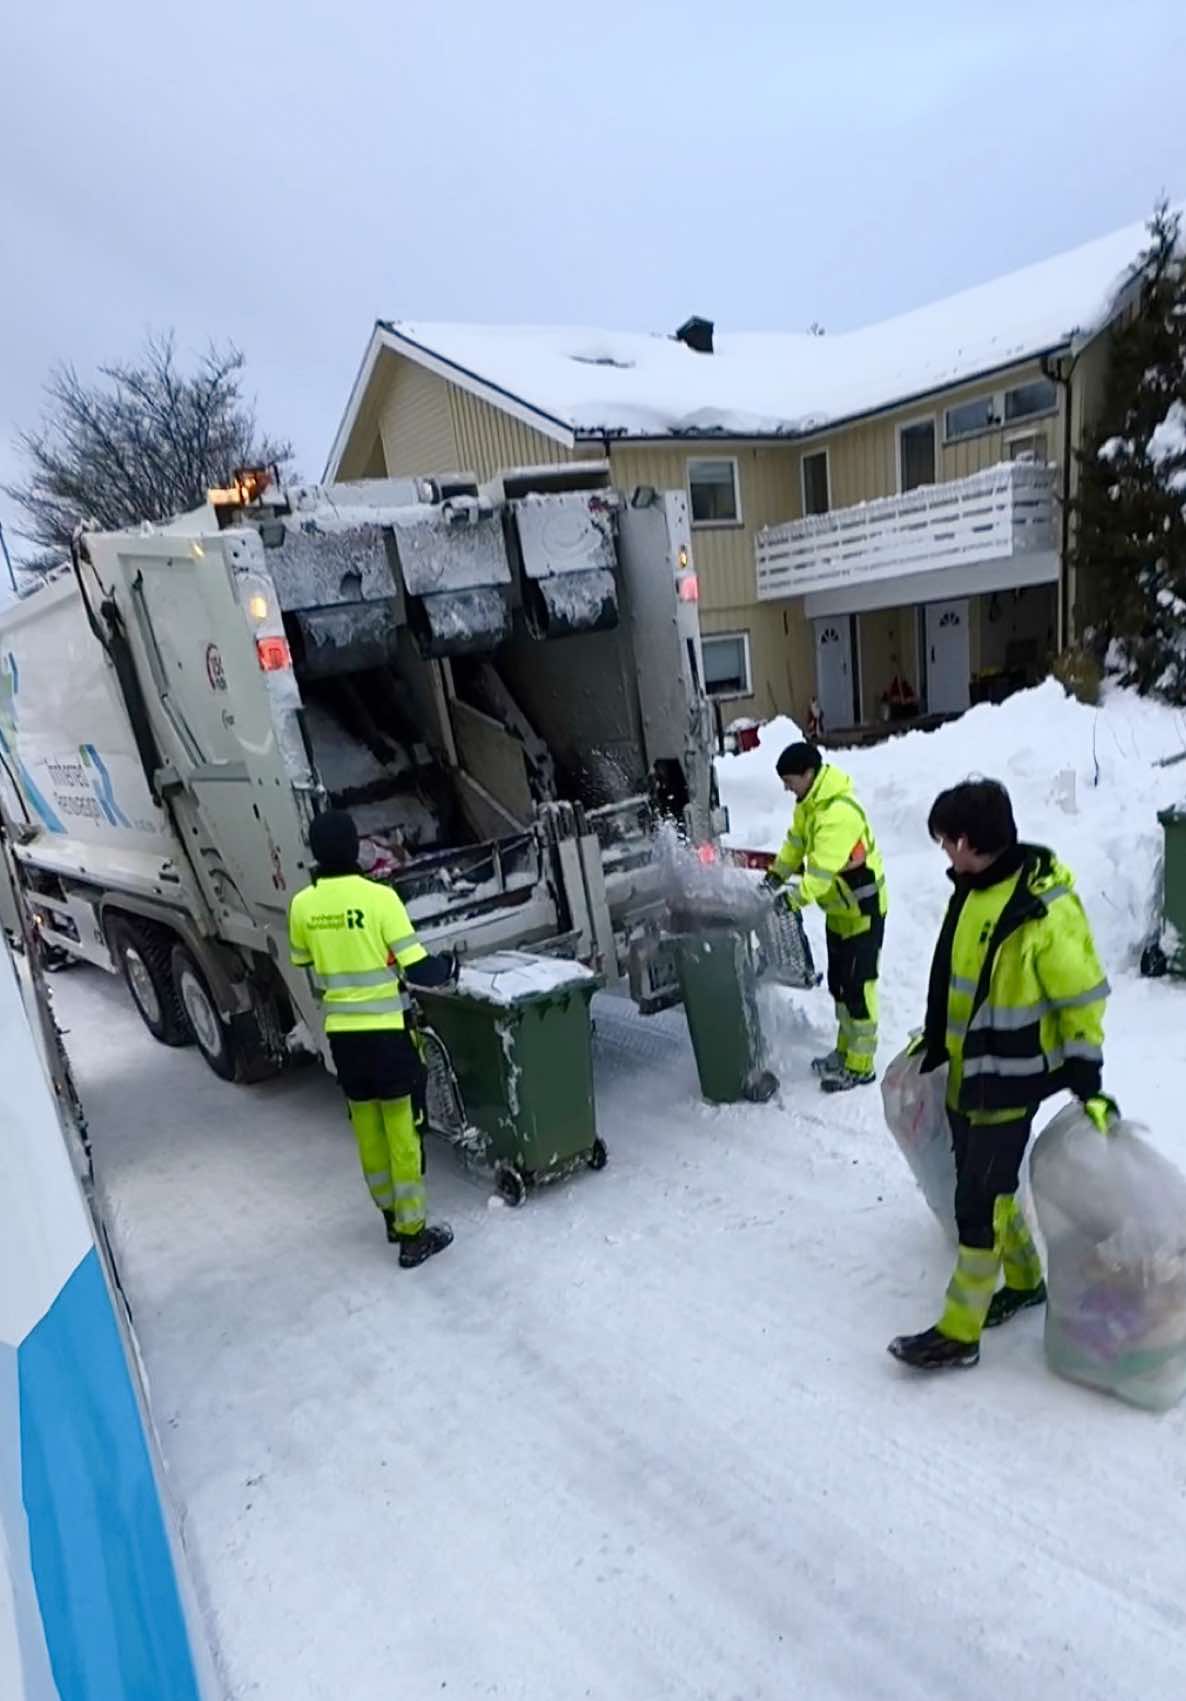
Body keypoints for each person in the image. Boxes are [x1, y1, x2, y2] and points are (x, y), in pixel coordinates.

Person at [889, 780, 1115, 1371]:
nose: (943, 853)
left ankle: (958, 1333)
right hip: (967, 1074)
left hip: (1008, 1083)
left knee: (976, 1204)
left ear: (965, 842)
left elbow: (1082, 994)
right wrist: (936, 1038)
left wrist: (1087, 1071)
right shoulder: (972, 887)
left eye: (944, 842)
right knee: (990, 1187)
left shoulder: (1043, 908)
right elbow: (959, 976)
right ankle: (1025, 1280)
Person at [288, 810, 457, 1268]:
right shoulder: (380, 898)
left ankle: (388, 1215)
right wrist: (449, 967)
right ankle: (413, 1234)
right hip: (387, 1035)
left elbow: (304, 959)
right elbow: (420, 969)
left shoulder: (302, 905)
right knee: (403, 1132)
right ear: (355, 847)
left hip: (344, 1040)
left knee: (368, 1132)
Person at [763, 741, 887, 1092]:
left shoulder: (837, 813)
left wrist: (791, 900)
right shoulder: (809, 805)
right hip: (839, 912)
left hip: (862, 912)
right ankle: (845, 1052)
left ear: (808, 774)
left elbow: (819, 873)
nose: (787, 788)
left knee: (859, 987)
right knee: (841, 986)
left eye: (790, 780)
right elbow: (795, 845)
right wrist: (776, 875)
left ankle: (861, 1067)